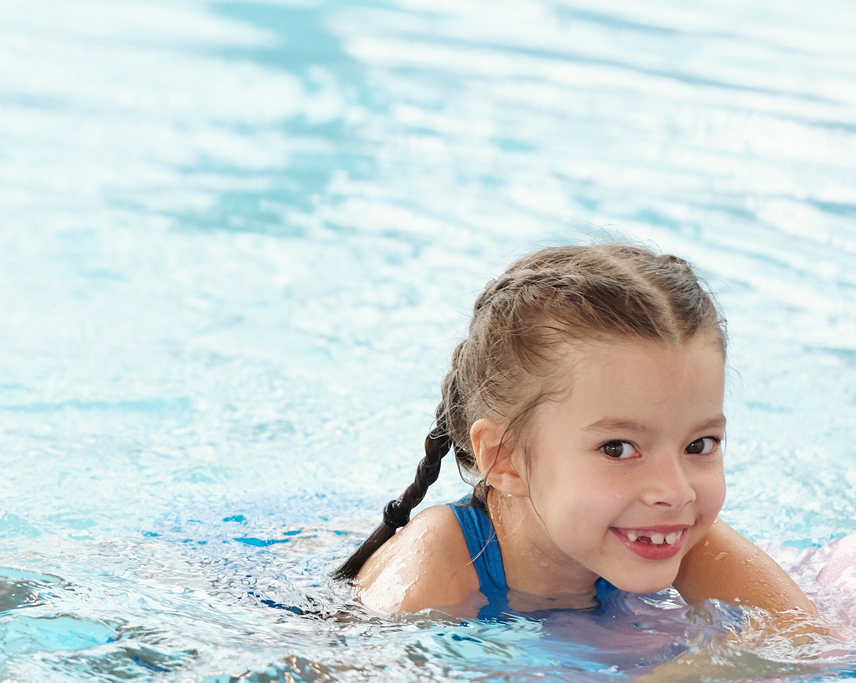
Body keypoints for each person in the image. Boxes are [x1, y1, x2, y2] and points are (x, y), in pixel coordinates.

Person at [336, 243, 818, 631]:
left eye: (699, 445)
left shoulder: (676, 535)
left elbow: (812, 648)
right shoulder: (432, 575)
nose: (676, 492)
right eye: (618, 448)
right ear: (505, 460)